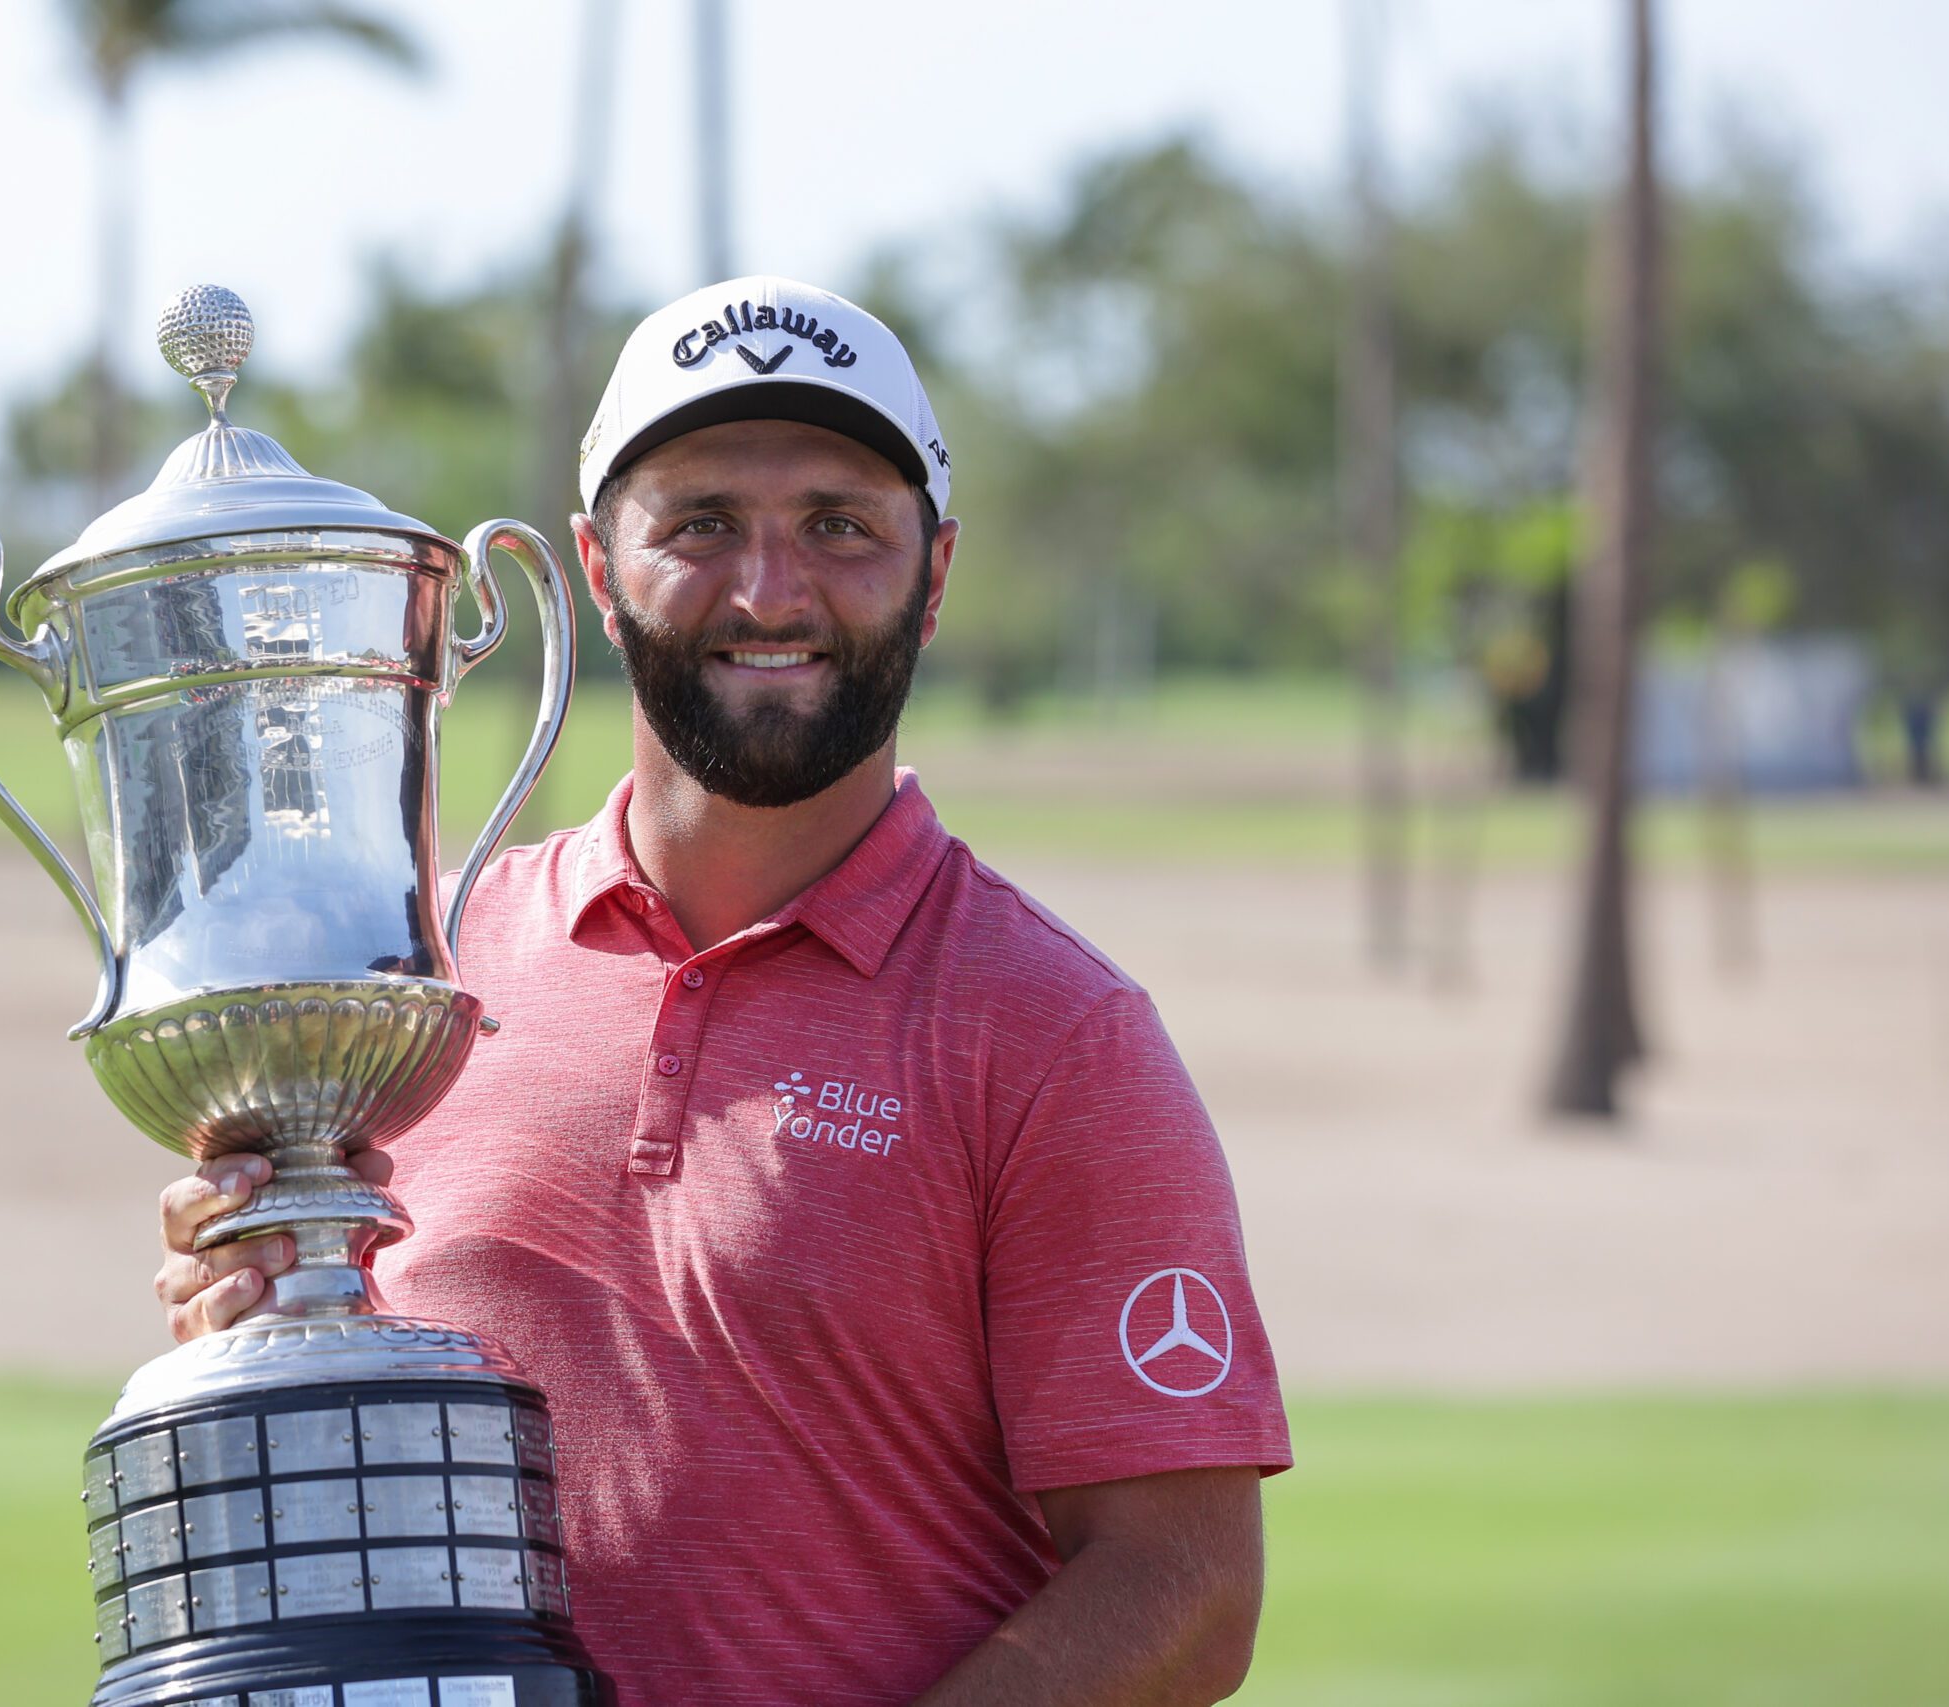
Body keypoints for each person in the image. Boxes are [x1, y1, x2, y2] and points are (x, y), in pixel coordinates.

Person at [153, 276, 1291, 1706]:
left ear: (934, 575)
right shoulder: (413, 976)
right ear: (597, 566)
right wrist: (254, 1316)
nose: (770, 590)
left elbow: (1184, 1590)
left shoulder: (1058, 1038)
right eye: (699, 523)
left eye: (839, 525)